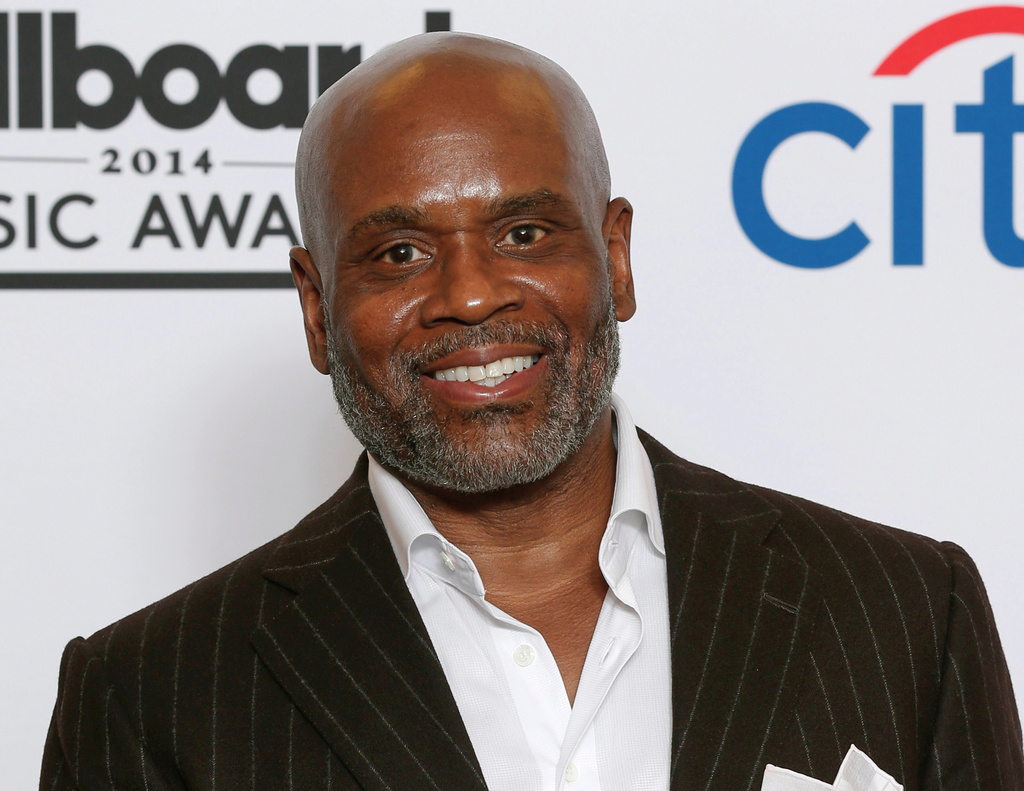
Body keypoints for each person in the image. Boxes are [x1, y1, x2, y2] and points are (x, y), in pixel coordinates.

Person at [41, 32, 1023, 791]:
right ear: (315, 305)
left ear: (615, 255)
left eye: (523, 229)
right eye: (398, 253)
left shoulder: (899, 609)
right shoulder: (151, 693)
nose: (470, 295)